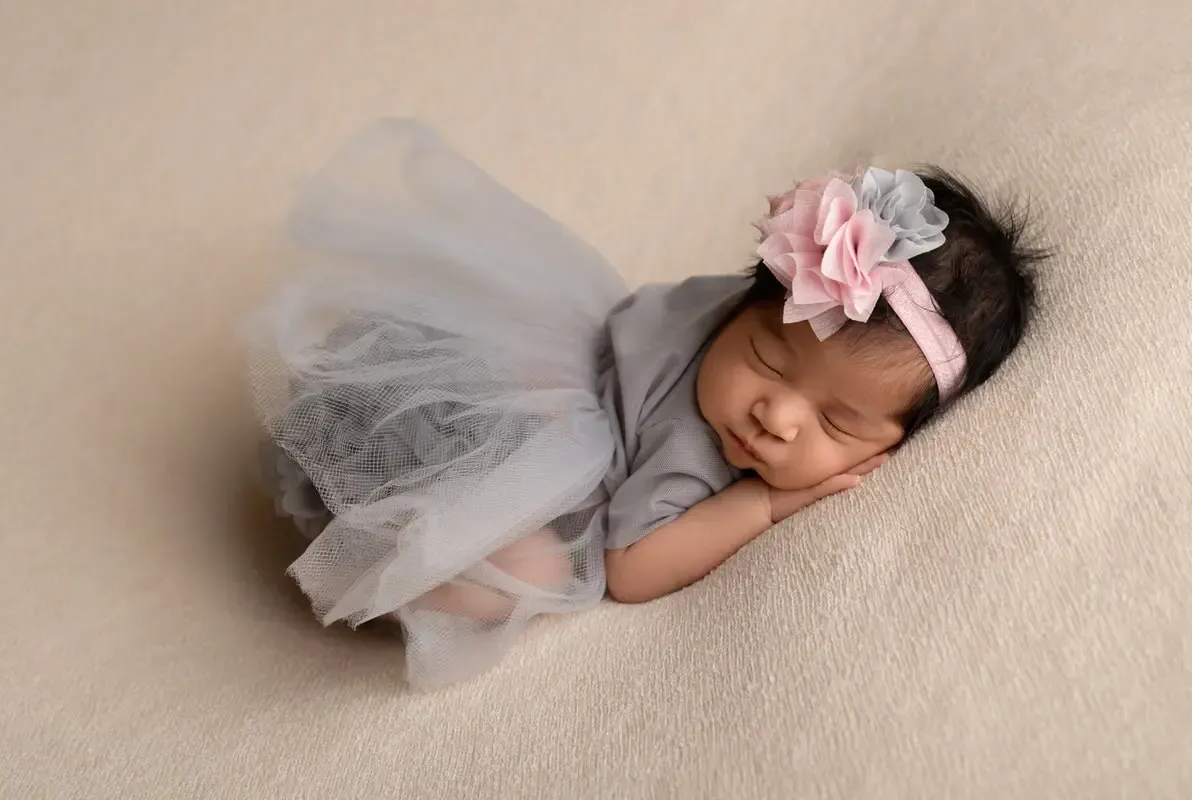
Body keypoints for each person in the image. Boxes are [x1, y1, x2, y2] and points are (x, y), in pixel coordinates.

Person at [246, 119, 1044, 686]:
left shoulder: (739, 354)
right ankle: (390, 539)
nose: (778, 416)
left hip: (541, 385)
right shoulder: (699, 452)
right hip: (529, 426)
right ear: (745, 303)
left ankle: (365, 449)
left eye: (837, 423)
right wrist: (763, 505)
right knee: (537, 566)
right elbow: (630, 570)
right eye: (768, 356)